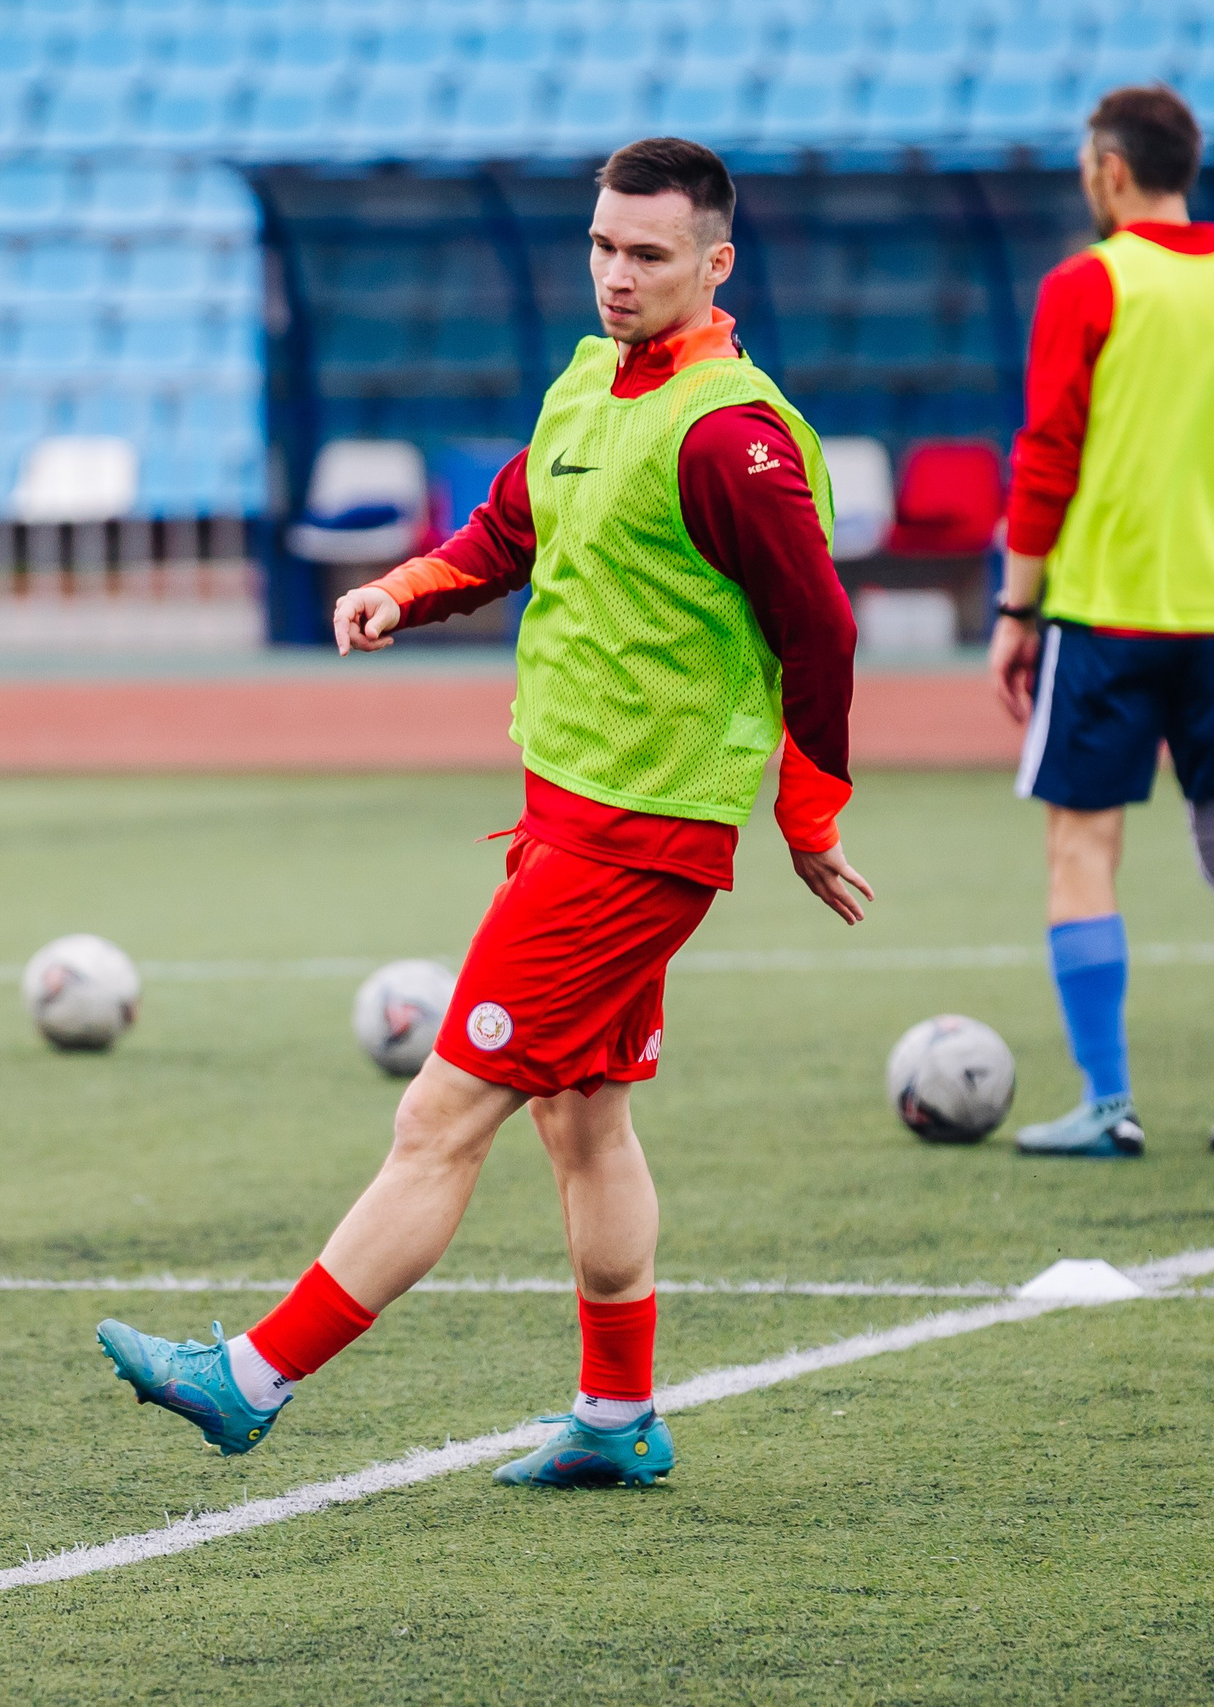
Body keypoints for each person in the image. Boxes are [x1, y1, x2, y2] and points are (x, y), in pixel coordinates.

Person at [91, 137, 868, 1488]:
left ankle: (253, 1376)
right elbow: (510, 529)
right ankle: (618, 1417)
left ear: (715, 262)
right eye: (604, 248)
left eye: (649, 255)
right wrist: (406, 587)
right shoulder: (591, 387)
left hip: (635, 836)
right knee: (585, 1120)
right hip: (571, 817)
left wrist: (809, 811)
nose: (618, 277)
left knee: (439, 1117)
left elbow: (822, 628)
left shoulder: (732, 436)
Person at [987, 84, 1214, 1161]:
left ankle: (1107, 1106)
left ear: (1110, 170)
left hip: (1104, 615)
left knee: (1082, 849)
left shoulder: (1085, 285)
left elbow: (1044, 456)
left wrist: (1014, 607)